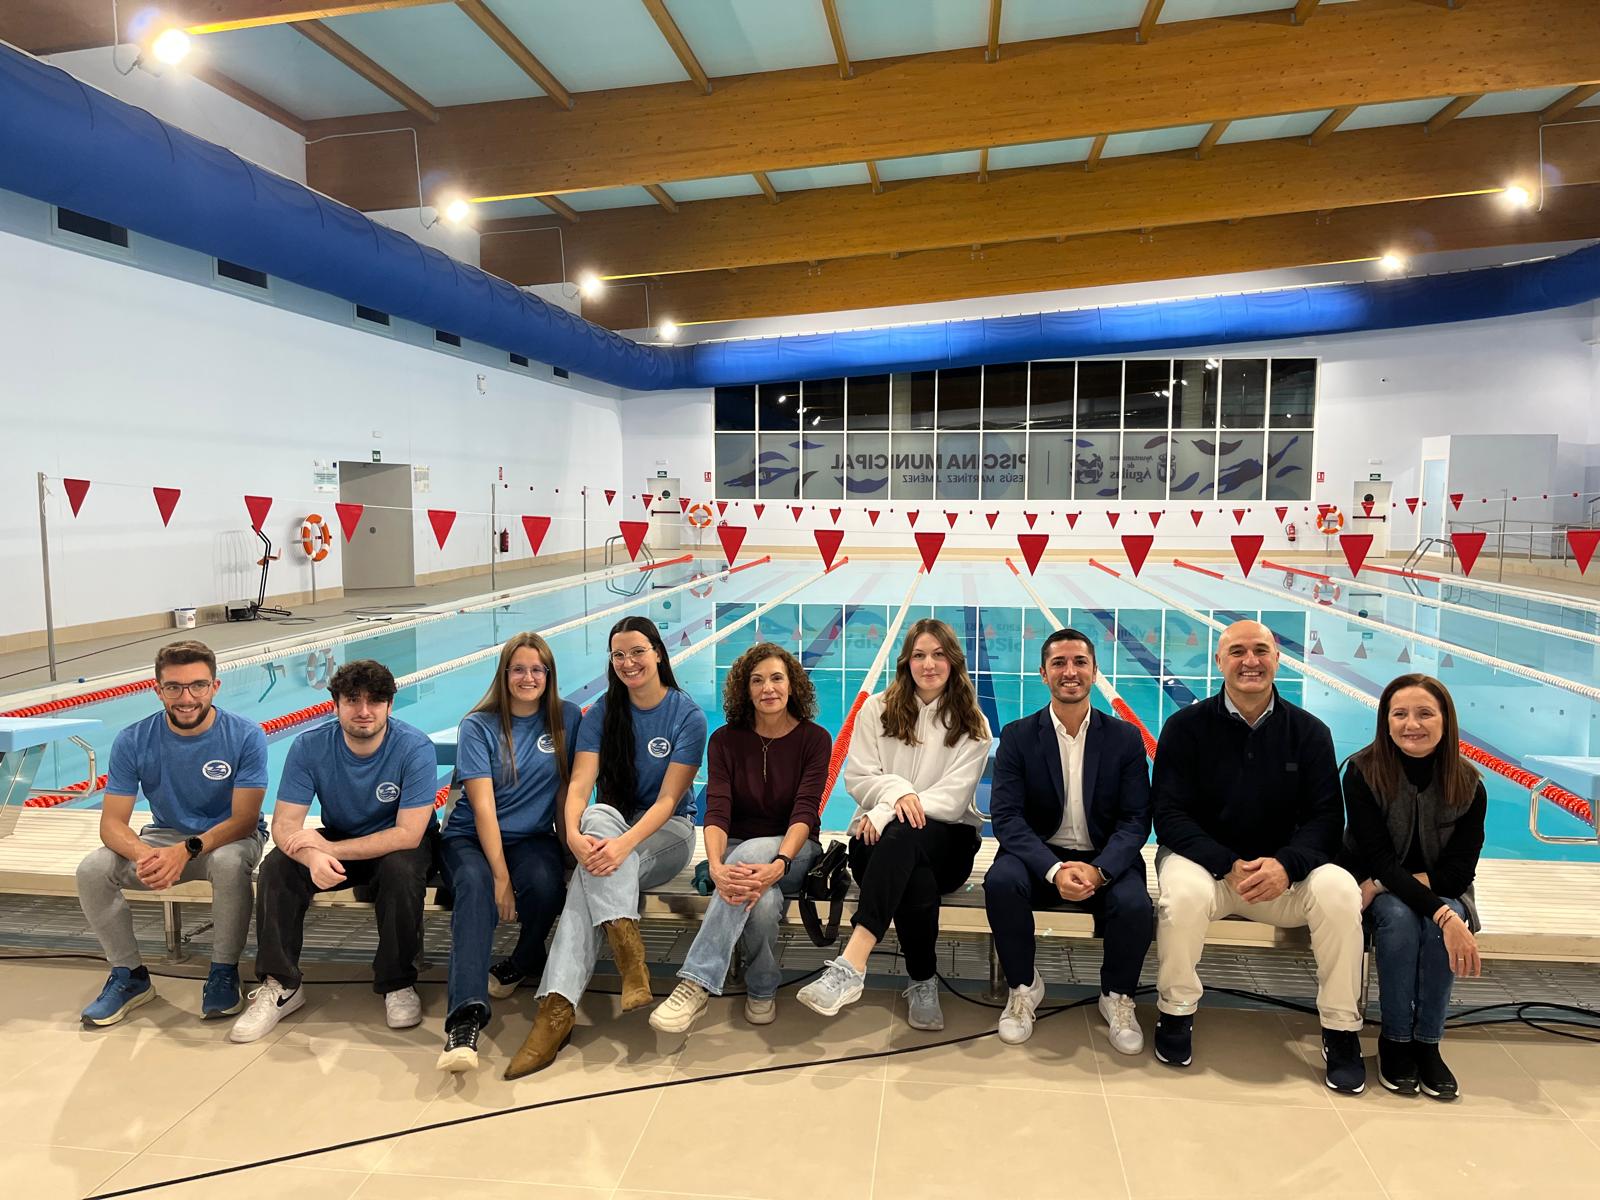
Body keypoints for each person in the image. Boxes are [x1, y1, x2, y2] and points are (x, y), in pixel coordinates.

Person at [1152, 620, 1366, 1094]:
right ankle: (1176, 1012)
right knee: (1181, 897)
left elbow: (1327, 819)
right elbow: (1168, 815)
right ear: (1219, 662)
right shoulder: (1186, 727)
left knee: (1340, 891)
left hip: (1281, 878)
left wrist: (1286, 864)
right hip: (1211, 871)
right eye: (1238, 652)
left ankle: (1340, 1028)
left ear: (1277, 659)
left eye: (1261, 650)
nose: (1250, 661)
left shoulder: (1309, 732)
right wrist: (1225, 862)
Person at [505, 616, 704, 1078]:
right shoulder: (601, 713)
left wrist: (621, 847)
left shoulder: (686, 715)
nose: (628, 662)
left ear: (658, 653)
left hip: (667, 831)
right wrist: (573, 834)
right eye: (618, 655)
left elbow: (670, 800)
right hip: (609, 832)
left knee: (594, 868)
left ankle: (555, 1014)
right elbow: (581, 784)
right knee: (594, 818)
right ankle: (627, 958)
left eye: (637, 651)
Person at [230, 659, 441, 1043]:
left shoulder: (414, 748)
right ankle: (281, 985)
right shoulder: (310, 746)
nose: (364, 711)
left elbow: (408, 834)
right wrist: (312, 855)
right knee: (278, 866)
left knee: (399, 869)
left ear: (390, 706)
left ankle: (396, 982)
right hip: (340, 838)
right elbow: (284, 825)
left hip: (398, 843)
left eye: (375, 701)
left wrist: (328, 847)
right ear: (335, 704)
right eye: (353, 700)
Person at [797, 618, 990, 1031]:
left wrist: (888, 808)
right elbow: (858, 777)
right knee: (910, 867)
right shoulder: (876, 709)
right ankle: (922, 980)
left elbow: (954, 800)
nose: (929, 664)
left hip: (948, 846)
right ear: (906, 662)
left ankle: (852, 963)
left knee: (905, 833)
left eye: (939, 654)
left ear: (954, 662)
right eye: (919, 655)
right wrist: (898, 794)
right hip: (877, 845)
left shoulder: (973, 725)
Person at [75, 641, 267, 1025]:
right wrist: (146, 856)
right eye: (174, 687)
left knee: (230, 863)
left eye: (198, 686)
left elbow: (245, 819)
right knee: (92, 870)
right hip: (163, 837)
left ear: (215, 687)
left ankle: (223, 971)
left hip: (227, 838)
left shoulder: (245, 735)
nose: (186, 697)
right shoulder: (133, 739)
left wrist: (187, 850)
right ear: (157, 689)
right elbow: (111, 824)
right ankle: (130, 976)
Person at [983, 628, 1154, 1050]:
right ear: (1043, 674)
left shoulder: (1125, 738)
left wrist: (1100, 870)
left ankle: (1116, 996)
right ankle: (1023, 988)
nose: (1070, 671)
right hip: (1039, 855)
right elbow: (1006, 817)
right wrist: (1054, 868)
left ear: (1094, 671)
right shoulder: (1019, 736)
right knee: (1000, 882)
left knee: (1135, 904)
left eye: (1079, 662)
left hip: (1104, 856)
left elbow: (1136, 819)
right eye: (1059, 663)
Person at [650, 642, 830, 1034]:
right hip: (736, 861)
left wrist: (779, 862)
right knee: (762, 902)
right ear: (744, 690)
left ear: (793, 685)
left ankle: (696, 982)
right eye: (757, 680)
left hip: (796, 853)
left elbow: (805, 811)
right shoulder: (725, 741)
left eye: (777, 678)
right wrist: (715, 866)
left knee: (751, 853)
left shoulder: (814, 739)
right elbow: (717, 811)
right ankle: (762, 988)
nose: (768, 688)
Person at [436, 633, 580, 1073]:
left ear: (549, 675)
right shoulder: (478, 725)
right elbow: (481, 808)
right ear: (504, 674)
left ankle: (524, 957)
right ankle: (465, 1018)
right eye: (518, 669)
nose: (528, 677)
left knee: (545, 883)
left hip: (531, 837)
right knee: (477, 888)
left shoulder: (567, 718)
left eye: (537, 669)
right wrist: (500, 877)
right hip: (468, 838)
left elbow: (564, 794)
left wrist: (569, 851)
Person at [1343, 674, 1485, 1100]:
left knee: (1442, 916)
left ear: (1446, 721)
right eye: (1400, 714)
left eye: (1425, 713)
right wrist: (1442, 913)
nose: (1412, 724)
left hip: (1397, 886)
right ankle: (1396, 1040)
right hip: (1379, 891)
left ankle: (1429, 1043)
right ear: (1386, 722)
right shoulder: (1363, 772)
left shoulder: (1469, 785)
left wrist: (1438, 907)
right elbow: (1380, 857)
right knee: (1403, 920)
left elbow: (1458, 875)